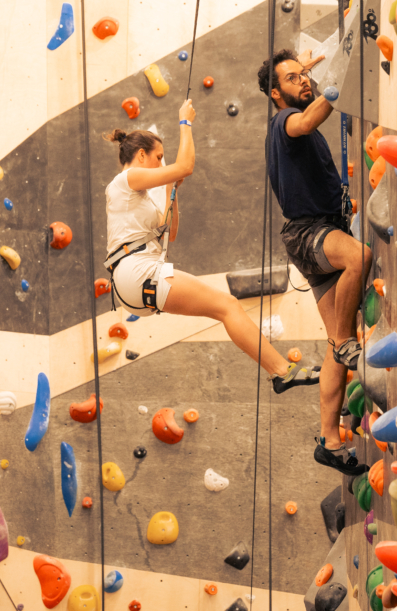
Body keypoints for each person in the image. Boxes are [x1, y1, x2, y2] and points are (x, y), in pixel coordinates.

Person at [103, 100, 317, 388]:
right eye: (158, 157)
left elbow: (171, 231)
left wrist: (171, 188)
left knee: (225, 307)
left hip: (135, 280)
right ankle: (281, 371)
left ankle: (280, 372)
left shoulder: (137, 198)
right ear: (142, 155)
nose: (160, 164)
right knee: (228, 306)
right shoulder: (126, 179)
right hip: (135, 272)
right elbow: (186, 166)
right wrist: (185, 123)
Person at [258, 49, 372, 476]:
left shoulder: (292, 125)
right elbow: (305, 120)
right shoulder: (284, 122)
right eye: (293, 79)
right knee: (359, 257)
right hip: (309, 233)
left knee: (333, 347)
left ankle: (329, 440)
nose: (302, 82)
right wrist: (334, 81)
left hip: (313, 232)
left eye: (303, 76)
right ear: (275, 94)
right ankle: (345, 342)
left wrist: (309, 72)